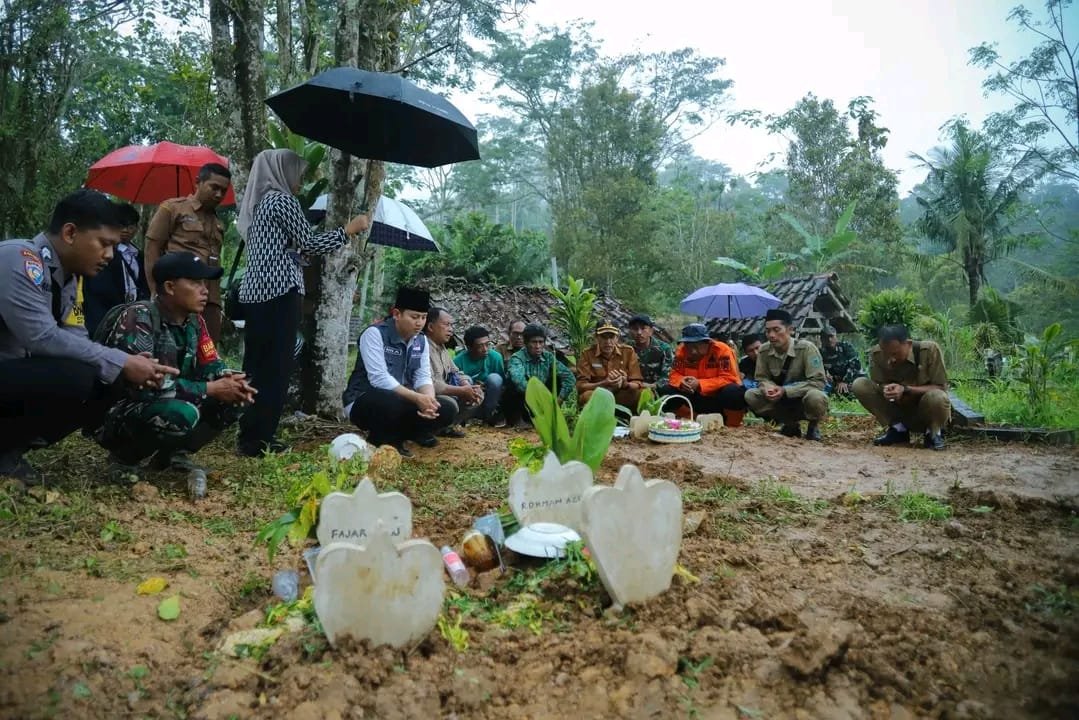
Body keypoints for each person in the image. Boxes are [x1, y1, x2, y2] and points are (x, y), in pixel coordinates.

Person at [0, 190, 178, 481]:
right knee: (78, 376)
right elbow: (42, 337)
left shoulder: (69, 279)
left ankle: (7, 451)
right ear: (70, 233)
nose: (110, 255)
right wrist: (118, 359)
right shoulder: (20, 260)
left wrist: (127, 365)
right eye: (104, 244)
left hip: (11, 375)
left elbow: (76, 338)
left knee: (107, 379)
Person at [235, 149, 370, 457]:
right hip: (280, 293)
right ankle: (260, 440)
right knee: (276, 367)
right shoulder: (282, 201)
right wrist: (349, 230)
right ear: (282, 172)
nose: (300, 180)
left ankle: (249, 433)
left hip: (256, 296)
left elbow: (281, 249)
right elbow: (310, 242)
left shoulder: (258, 204)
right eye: (296, 173)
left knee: (256, 365)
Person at [93, 252, 256, 493]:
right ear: (170, 287)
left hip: (169, 399)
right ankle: (123, 459)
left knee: (238, 396)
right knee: (180, 411)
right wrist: (210, 389)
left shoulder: (195, 322)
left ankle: (172, 456)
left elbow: (210, 361)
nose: (205, 291)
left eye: (205, 284)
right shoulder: (139, 317)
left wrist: (228, 379)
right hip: (119, 414)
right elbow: (147, 386)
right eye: (195, 283)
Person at [343, 287, 454, 457]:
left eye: (423, 317)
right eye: (414, 317)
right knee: (390, 400)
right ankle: (383, 440)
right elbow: (378, 378)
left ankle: (407, 434)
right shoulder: (374, 334)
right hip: (365, 401)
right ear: (397, 314)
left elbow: (422, 375)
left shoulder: (421, 340)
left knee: (446, 407)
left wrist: (429, 401)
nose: (419, 323)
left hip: (402, 400)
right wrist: (417, 398)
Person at [145, 163, 232, 341]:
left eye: (223, 190)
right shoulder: (172, 208)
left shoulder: (218, 222)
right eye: (214, 187)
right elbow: (152, 249)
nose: (219, 195)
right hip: (178, 294)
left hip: (210, 298)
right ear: (198, 182)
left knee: (207, 351)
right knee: (171, 344)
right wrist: (156, 290)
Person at [852, 324, 950, 451]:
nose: (890, 360)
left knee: (937, 396)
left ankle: (933, 432)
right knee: (860, 384)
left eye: (895, 354)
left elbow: (941, 387)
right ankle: (898, 429)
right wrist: (887, 390)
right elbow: (878, 383)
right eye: (885, 354)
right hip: (898, 410)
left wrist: (906, 389)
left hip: (925, 411)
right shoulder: (876, 354)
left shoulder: (929, 350)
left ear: (908, 344)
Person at [744, 309, 829, 441]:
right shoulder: (764, 351)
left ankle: (813, 426)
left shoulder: (807, 348)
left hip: (802, 399)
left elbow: (818, 382)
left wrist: (785, 390)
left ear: (790, 330)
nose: (771, 335)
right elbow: (761, 378)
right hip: (779, 401)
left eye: (776, 330)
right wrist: (768, 388)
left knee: (816, 396)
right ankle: (789, 424)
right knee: (751, 395)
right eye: (768, 331)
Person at [84, 202, 150, 336]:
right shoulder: (105, 253)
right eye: (122, 226)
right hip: (106, 312)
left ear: (136, 228)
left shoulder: (140, 255)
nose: (126, 230)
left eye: (130, 226)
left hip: (132, 315)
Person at [661, 323, 747, 425]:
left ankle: (732, 424)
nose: (692, 351)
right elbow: (674, 375)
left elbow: (729, 378)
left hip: (718, 398)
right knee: (667, 390)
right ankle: (691, 419)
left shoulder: (722, 350)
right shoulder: (681, 351)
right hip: (693, 397)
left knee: (733, 391)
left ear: (707, 342)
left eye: (696, 346)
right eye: (688, 346)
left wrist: (700, 384)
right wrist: (681, 381)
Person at [424, 307, 483, 438]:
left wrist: (466, 384)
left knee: (476, 392)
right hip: (429, 395)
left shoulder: (442, 347)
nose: (451, 329)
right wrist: (461, 391)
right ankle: (426, 431)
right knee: (450, 404)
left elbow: (456, 371)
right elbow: (431, 384)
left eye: (451, 325)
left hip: (445, 391)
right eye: (446, 324)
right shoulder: (423, 348)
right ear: (431, 327)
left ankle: (447, 426)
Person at [506, 324, 575, 423]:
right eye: (534, 342)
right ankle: (517, 419)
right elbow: (519, 381)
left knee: (557, 379)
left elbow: (569, 377)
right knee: (511, 383)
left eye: (540, 342)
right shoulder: (517, 358)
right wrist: (538, 398)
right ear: (526, 343)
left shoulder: (548, 357)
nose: (538, 346)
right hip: (524, 400)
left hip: (543, 400)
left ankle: (548, 414)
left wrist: (558, 400)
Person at [575, 320, 644, 408]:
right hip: (599, 395)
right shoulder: (587, 354)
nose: (608, 342)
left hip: (621, 395)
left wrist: (625, 384)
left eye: (611, 337)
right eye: (604, 337)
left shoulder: (628, 351)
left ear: (617, 338)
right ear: (596, 338)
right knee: (587, 396)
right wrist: (603, 383)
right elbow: (580, 386)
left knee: (644, 393)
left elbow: (637, 382)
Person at [452, 325, 506, 427]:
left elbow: (501, 383)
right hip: (470, 399)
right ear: (469, 347)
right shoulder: (458, 361)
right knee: (466, 379)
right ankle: (466, 417)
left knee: (495, 378)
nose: (485, 349)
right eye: (480, 346)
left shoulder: (495, 357)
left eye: (487, 344)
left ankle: (488, 416)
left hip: (490, 398)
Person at [627, 314, 673, 390]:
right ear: (630, 332)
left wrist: (651, 386)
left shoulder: (664, 349)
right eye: (635, 329)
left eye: (643, 328)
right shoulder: (626, 348)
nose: (639, 332)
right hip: (632, 389)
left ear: (651, 331)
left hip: (657, 391)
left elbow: (668, 377)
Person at [820, 325, 864, 396]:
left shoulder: (845, 347)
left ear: (836, 337)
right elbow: (820, 370)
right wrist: (826, 377)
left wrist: (845, 381)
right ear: (822, 339)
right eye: (826, 337)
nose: (829, 340)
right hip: (838, 382)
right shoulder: (821, 353)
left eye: (831, 336)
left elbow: (855, 366)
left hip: (855, 378)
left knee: (853, 391)